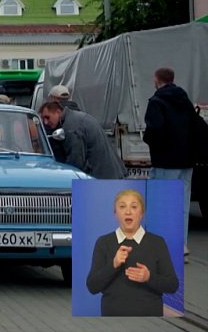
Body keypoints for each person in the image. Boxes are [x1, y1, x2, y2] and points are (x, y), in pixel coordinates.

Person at [85, 189, 179, 316]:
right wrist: (113, 265)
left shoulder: (157, 243)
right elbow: (92, 286)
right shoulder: (104, 242)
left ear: (141, 213)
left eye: (134, 207)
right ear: (115, 213)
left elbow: (172, 285)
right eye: (122, 206)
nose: (128, 211)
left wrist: (149, 277)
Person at [143, 67, 196, 262]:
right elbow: (195, 125)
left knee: (162, 204)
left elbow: (155, 130)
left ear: (157, 80)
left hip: (165, 161)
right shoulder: (185, 101)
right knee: (181, 204)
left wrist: (148, 139)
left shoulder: (157, 102)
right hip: (186, 161)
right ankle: (180, 245)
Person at [39, 101, 125, 179]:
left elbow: (75, 163)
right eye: (43, 119)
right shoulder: (75, 118)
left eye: (47, 117)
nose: (45, 122)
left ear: (58, 112)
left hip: (101, 178)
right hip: (111, 173)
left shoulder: (71, 128)